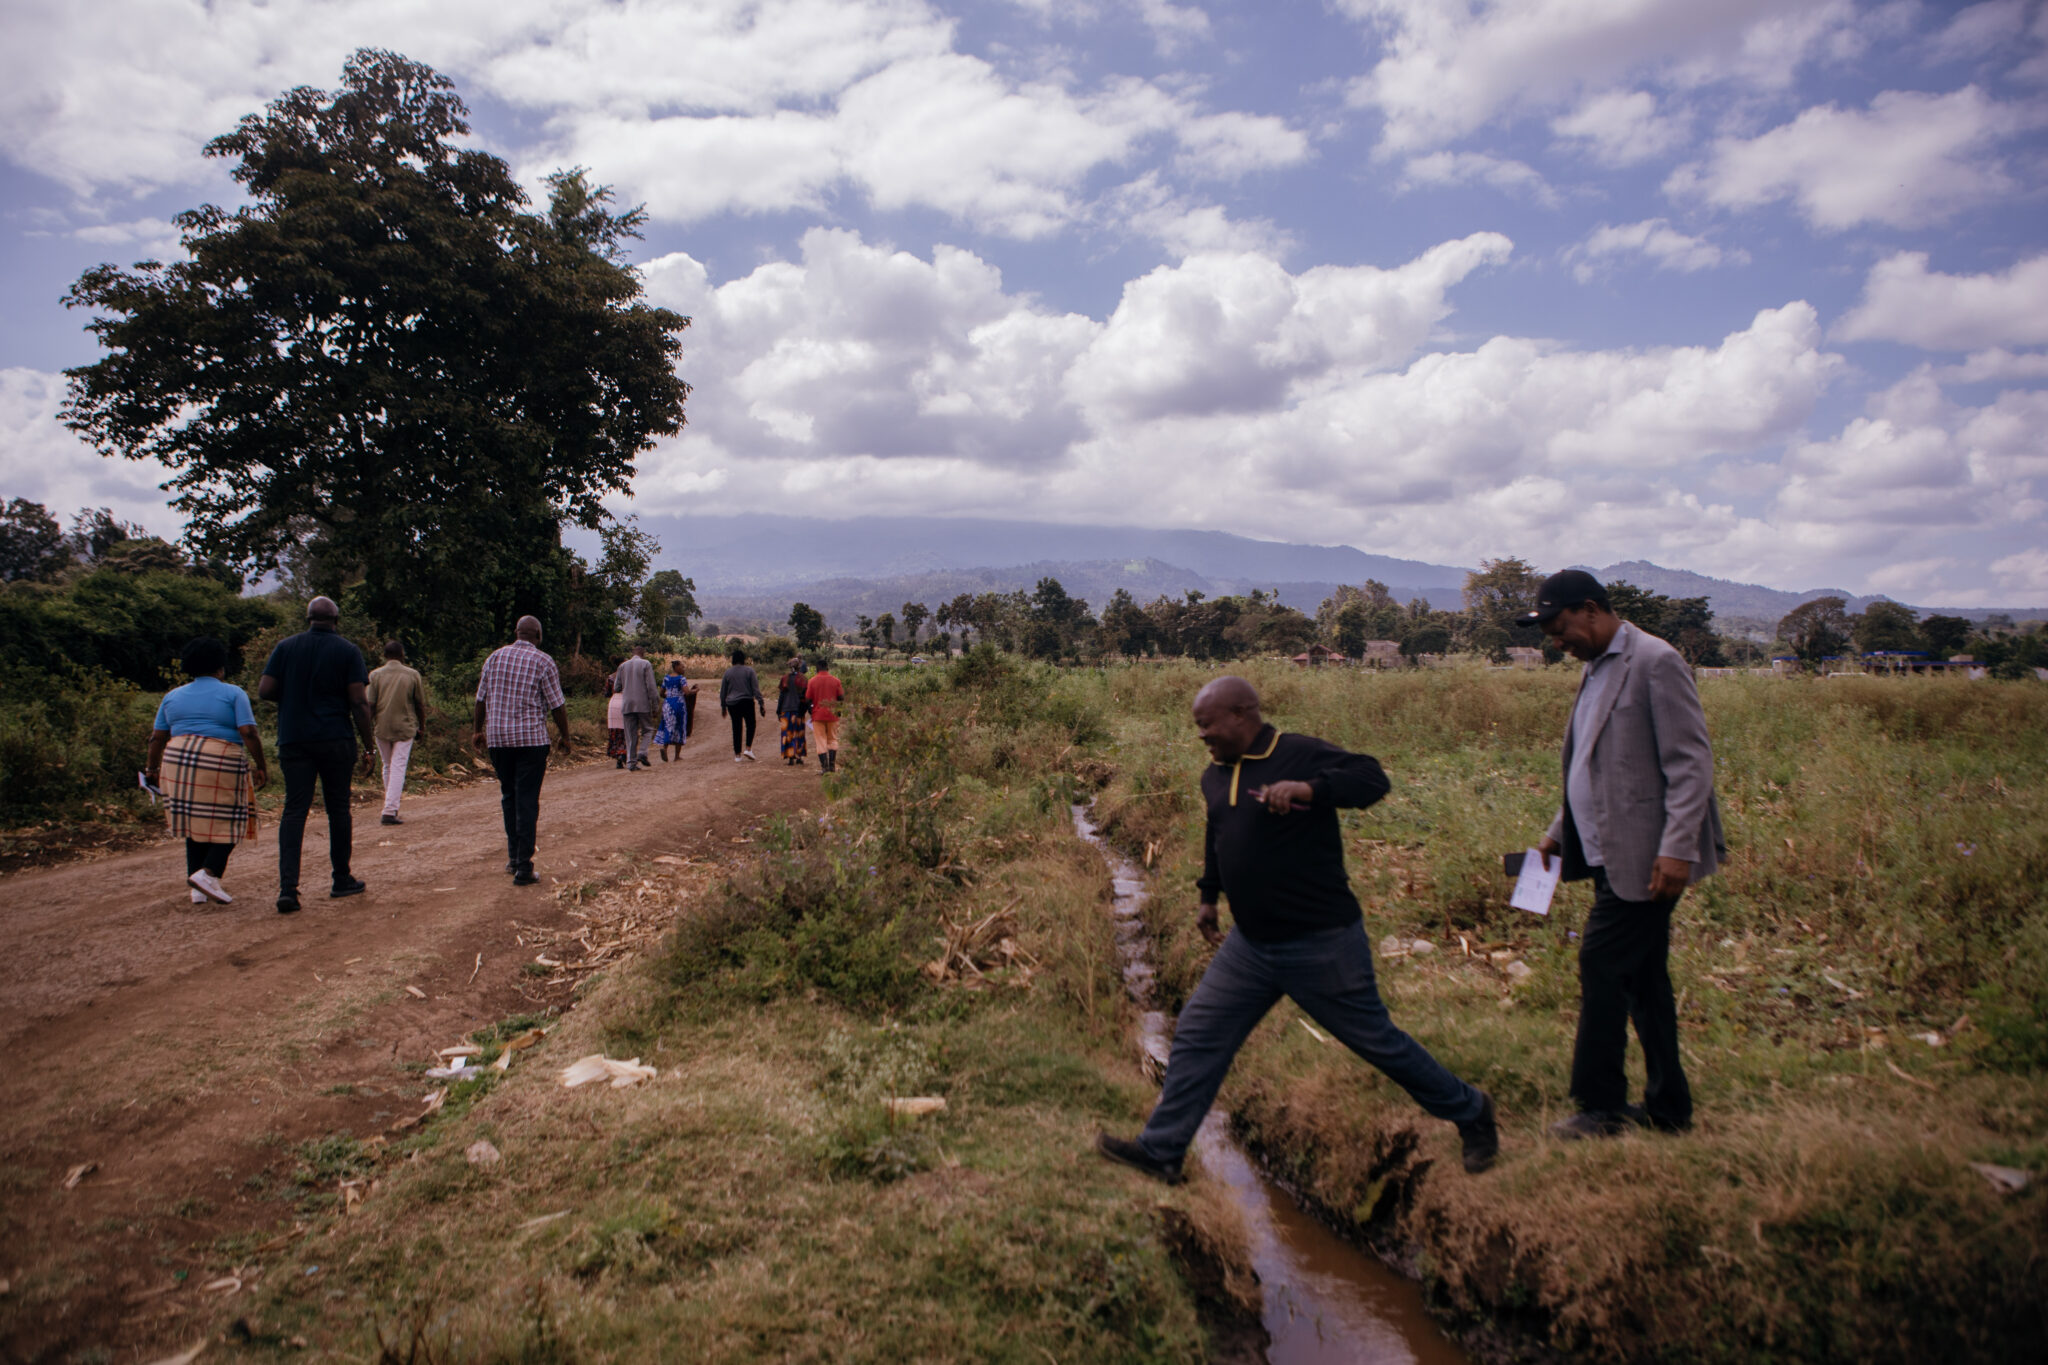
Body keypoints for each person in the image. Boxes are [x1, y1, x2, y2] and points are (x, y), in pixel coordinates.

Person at [1096, 676, 1498, 1184]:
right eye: (1197, 726)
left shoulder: (1299, 754)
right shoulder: (1214, 775)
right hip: (1251, 945)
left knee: (1378, 1043)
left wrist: (1312, 789)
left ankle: (1472, 1110)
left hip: (1321, 942)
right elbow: (1219, 832)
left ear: (1242, 714)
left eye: (1207, 724)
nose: (1201, 735)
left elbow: (1373, 780)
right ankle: (1163, 1151)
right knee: (1198, 1033)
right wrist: (1207, 896)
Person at [1525, 570, 1725, 1140]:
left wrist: (1678, 848)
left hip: (1647, 856)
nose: (1557, 643)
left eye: (1561, 629)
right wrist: (1558, 832)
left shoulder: (1655, 662)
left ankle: (1600, 1106)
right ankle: (1669, 1108)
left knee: (1601, 964)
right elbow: (1593, 764)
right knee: (1644, 979)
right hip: (1608, 849)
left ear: (1591, 609)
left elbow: (1690, 764)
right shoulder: (1597, 667)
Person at [258, 596, 374, 914]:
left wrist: (294, 694)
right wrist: (368, 745)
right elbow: (359, 703)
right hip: (335, 739)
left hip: (294, 739)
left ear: (308, 618)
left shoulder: (285, 647)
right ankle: (341, 879)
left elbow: (265, 690)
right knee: (338, 809)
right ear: (336, 620)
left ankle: (288, 890)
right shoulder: (347, 651)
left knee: (294, 810)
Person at [147, 636, 268, 905]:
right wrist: (261, 765)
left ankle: (197, 886)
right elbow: (248, 731)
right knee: (236, 817)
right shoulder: (233, 693)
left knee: (194, 821)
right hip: (219, 758)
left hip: (176, 760)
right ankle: (209, 873)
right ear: (220, 667)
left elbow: (156, 738)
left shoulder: (172, 696)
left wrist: (151, 769)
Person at [472, 615, 572, 886]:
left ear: (517, 633)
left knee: (509, 797)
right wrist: (565, 736)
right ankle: (524, 867)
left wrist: (477, 730)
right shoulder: (543, 661)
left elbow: (480, 698)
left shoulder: (494, 658)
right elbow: (557, 705)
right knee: (527, 800)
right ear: (538, 636)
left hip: (499, 740)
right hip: (531, 741)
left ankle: (514, 858)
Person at [365, 640, 427, 826]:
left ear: (385, 656)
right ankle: (390, 810)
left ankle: (390, 805)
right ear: (402, 655)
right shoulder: (412, 674)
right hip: (405, 726)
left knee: (387, 765)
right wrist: (422, 726)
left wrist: (366, 731)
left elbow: (370, 705)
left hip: (381, 727)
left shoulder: (375, 675)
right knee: (398, 766)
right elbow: (419, 704)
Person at [615, 644, 660, 772]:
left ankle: (631, 763)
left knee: (630, 734)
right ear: (643, 653)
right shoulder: (646, 664)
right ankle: (642, 752)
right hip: (643, 704)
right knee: (648, 729)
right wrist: (655, 706)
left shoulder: (623, 666)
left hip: (627, 704)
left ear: (632, 653)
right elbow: (651, 687)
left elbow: (616, 687)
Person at [719, 646, 766, 762]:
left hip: (732, 704)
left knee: (736, 727)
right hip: (746, 701)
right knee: (751, 724)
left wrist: (723, 707)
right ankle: (748, 748)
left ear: (733, 659)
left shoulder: (727, 673)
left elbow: (723, 691)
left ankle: (737, 755)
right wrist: (761, 703)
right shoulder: (749, 671)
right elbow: (755, 689)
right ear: (743, 659)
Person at [804, 657, 845, 773]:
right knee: (832, 739)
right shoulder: (836, 681)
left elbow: (807, 699)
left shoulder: (812, 681)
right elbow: (841, 697)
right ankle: (832, 767)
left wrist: (811, 710)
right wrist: (838, 709)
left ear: (817, 669)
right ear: (827, 667)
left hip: (818, 715)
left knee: (820, 740)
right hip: (833, 715)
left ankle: (824, 768)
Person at [654, 659, 691, 761]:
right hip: (679, 704)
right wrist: (695, 690)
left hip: (668, 704)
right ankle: (677, 756)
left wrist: (669, 696)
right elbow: (687, 692)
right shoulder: (681, 679)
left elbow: (661, 693)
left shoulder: (666, 678)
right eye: (682, 667)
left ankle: (665, 749)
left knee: (668, 725)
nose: (684, 668)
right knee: (679, 727)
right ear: (676, 667)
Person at [776, 657, 810, 765]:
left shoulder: (784, 678)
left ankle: (790, 757)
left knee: (788, 733)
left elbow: (781, 696)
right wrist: (807, 710)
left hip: (786, 710)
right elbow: (806, 697)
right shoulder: (803, 679)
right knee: (799, 733)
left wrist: (778, 710)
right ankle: (799, 757)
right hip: (798, 710)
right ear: (799, 666)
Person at [605, 659, 629, 769]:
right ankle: (623, 753)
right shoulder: (629, 678)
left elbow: (607, 693)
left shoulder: (611, 677)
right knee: (627, 730)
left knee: (615, 731)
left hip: (613, 704)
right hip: (626, 702)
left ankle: (617, 754)